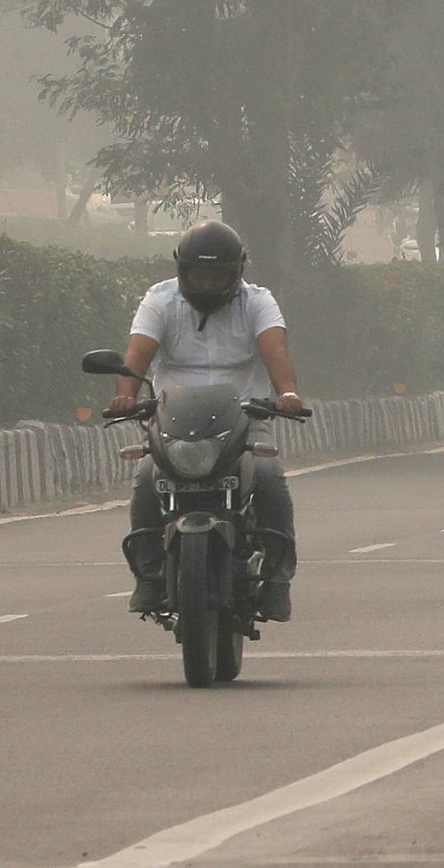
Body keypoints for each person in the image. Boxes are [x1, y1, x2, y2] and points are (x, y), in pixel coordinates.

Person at [110, 220, 304, 621]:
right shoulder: (160, 301)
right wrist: (125, 396)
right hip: (173, 422)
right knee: (146, 480)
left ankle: (276, 579)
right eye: (200, 275)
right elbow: (137, 355)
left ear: (238, 271)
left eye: (220, 276)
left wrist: (287, 393)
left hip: (245, 418)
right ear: (183, 271)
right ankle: (148, 576)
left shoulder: (258, 302)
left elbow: (275, 352)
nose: (210, 284)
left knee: (268, 476)